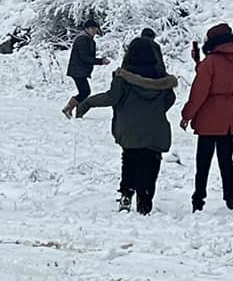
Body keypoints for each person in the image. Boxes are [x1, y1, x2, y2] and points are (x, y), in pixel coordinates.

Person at [72, 42, 179, 213]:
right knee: (151, 164)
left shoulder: (123, 78)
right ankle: (145, 201)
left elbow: (112, 98)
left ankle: (126, 195)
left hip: (129, 128)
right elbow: (170, 100)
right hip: (155, 129)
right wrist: (155, 111)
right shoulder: (162, 79)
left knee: (129, 160)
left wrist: (89, 101)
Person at [182, 23, 233, 212]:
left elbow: (200, 92)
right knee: (226, 162)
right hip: (228, 115)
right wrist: (198, 64)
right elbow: (220, 79)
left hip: (209, 115)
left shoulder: (210, 62)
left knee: (203, 163)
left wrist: (187, 115)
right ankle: (231, 201)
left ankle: (198, 200)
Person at [60, 19, 106, 117]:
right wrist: (100, 61)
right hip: (78, 70)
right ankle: (69, 108)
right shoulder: (83, 40)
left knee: (84, 91)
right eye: (92, 29)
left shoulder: (88, 40)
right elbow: (85, 57)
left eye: (95, 29)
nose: (94, 31)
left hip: (80, 70)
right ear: (87, 29)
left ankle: (75, 111)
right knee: (85, 91)